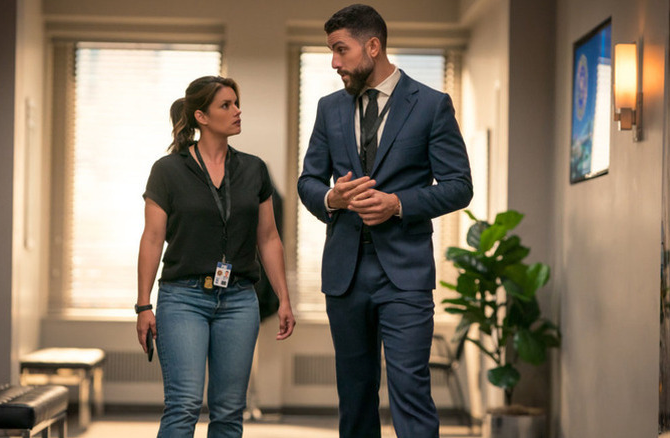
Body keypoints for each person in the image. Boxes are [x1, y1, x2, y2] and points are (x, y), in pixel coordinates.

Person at [297, 4, 473, 438]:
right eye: (332, 51)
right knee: (354, 397)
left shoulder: (432, 105)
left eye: (341, 50)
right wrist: (331, 198)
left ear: (372, 47)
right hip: (345, 275)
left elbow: (459, 185)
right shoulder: (328, 109)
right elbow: (308, 182)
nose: (334, 62)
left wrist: (398, 204)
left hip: (405, 274)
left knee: (410, 391)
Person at [136, 75, 296, 438]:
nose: (237, 111)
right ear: (201, 117)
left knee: (228, 412)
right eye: (226, 105)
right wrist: (143, 305)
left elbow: (269, 238)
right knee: (184, 405)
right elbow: (152, 238)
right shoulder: (169, 170)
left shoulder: (254, 169)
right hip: (183, 297)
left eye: (237, 103)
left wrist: (284, 299)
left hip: (240, 299)